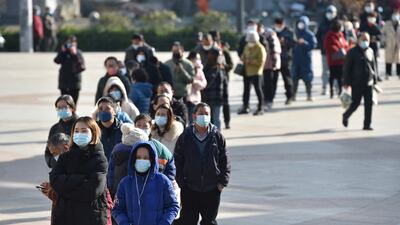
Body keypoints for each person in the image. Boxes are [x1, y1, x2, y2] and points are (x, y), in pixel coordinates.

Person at [174, 102, 230, 225]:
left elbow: (224, 160)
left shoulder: (217, 136)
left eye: (206, 114)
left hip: (212, 188)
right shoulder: (185, 136)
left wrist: (222, 182)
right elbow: (177, 160)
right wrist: (181, 181)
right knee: (188, 220)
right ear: (194, 116)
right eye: (201, 114)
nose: (204, 116)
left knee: (209, 221)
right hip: (190, 188)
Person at [50, 116, 108, 225]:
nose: (79, 134)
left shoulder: (100, 159)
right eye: (76, 131)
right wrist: (82, 179)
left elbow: (93, 190)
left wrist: (66, 189)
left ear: (93, 133)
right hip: (66, 216)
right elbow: (55, 180)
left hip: (91, 217)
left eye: (84, 131)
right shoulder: (65, 157)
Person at [112, 141, 179, 225]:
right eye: (138, 157)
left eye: (145, 158)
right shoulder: (125, 183)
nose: (141, 160)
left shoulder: (162, 180)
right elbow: (117, 209)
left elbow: (173, 206)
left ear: (152, 159)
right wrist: (124, 223)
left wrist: (164, 222)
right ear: (133, 159)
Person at [107, 122, 176, 197]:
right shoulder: (143, 153)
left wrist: (111, 188)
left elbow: (110, 170)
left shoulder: (117, 151)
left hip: (119, 192)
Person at [342, 32, 377, 130]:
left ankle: (367, 124)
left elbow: (374, 66)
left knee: (369, 104)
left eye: (367, 40)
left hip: (368, 82)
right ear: (358, 40)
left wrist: (375, 81)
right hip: (356, 83)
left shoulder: (370, 51)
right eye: (363, 39)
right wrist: (346, 83)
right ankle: (346, 115)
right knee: (355, 104)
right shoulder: (352, 52)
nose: (365, 41)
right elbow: (346, 68)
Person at [40, 133, 70, 225]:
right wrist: (51, 187)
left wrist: (50, 191)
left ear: (66, 148)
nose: (54, 157)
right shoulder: (59, 167)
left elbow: (69, 197)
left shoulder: (74, 168)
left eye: (55, 153)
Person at [45, 95, 78, 169]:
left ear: (72, 108)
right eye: (59, 108)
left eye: (64, 107)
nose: (61, 109)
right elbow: (48, 151)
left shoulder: (80, 126)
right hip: (58, 170)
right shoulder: (54, 128)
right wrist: (53, 162)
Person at [209, 30, 233, 129]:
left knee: (225, 102)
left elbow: (231, 65)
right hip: (211, 79)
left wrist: (223, 66)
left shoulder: (223, 49)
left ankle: (227, 121)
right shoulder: (207, 51)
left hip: (223, 78)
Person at [238, 31, 266, 115]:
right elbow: (243, 55)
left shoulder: (260, 48)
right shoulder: (247, 46)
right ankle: (245, 106)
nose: (250, 43)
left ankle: (261, 107)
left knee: (258, 89)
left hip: (256, 72)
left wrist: (250, 61)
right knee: (246, 90)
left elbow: (261, 61)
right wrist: (242, 58)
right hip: (246, 71)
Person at [292, 16, 317, 102]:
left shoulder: (309, 34)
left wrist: (304, 43)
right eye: (299, 23)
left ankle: (309, 95)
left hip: (306, 60)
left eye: (302, 23)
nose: (300, 25)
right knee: (294, 78)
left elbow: (313, 45)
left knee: (308, 79)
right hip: (296, 60)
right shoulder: (294, 33)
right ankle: (293, 95)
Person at [54, 36, 85, 104]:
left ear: (75, 44)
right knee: (64, 103)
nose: (70, 45)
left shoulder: (78, 52)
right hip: (64, 82)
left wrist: (75, 54)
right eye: (68, 43)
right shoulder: (64, 53)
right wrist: (62, 52)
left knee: (73, 103)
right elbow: (56, 61)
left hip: (75, 82)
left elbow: (82, 67)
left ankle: (73, 114)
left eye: (72, 43)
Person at [202, 49, 228, 130]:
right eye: (219, 56)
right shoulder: (206, 68)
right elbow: (205, 83)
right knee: (208, 120)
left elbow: (225, 84)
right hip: (208, 98)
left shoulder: (221, 69)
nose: (221, 57)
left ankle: (217, 138)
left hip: (218, 98)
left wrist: (225, 98)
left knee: (217, 120)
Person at [324, 19, 349, 98]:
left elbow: (344, 44)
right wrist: (337, 49)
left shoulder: (340, 35)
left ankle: (340, 91)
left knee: (340, 76)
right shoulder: (330, 35)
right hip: (333, 60)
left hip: (341, 59)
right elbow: (328, 46)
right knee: (332, 75)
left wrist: (345, 48)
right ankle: (331, 90)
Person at [316, 5, 337, 95]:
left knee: (336, 70)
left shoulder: (338, 24)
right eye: (328, 12)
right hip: (325, 52)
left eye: (332, 13)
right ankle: (325, 88)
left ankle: (337, 87)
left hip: (336, 52)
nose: (330, 15)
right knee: (325, 71)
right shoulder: (322, 24)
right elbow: (318, 36)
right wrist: (322, 46)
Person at [273, 17, 295, 105]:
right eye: (277, 25)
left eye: (280, 25)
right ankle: (270, 98)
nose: (278, 26)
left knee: (287, 79)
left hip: (285, 59)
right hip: (274, 59)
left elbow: (293, 43)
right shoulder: (272, 31)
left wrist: (284, 42)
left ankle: (289, 97)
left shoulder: (289, 32)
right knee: (272, 80)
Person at [261, 27, 283, 110]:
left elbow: (273, 52)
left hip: (270, 65)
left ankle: (268, 100)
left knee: (268, 84)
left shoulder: (270, 38)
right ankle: (268, 100)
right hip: (274, 65)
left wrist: (273, 63)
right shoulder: (274, 37)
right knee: (271, 84)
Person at [359, 12, 382, 81]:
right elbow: (359, 34)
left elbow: (380, 36)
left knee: (374, 62)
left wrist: (375, 38)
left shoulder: (376, 27)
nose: (371, 19)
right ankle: (365, 75)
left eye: (373, 18)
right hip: (364, 46)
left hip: (373, 46)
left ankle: (375, 76)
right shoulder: (363, 26)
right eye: (370, 18)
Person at [186, 51, 207, 123]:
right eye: (197, 58)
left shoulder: (199, 69)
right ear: (191, 59)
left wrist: (194, 82)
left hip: (195, 99)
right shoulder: (185, 67)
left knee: (193, 121)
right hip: (185, 98)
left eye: (199, 58)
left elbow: (204, 84)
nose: (198, 60)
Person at [382, 10, 400, 80]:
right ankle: (388, 74)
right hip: (389, 44)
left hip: (398, 45)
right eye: (394, 15)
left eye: (397, 15)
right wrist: (384, 41)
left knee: (399, 60)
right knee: (388, 60)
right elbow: (382, 33)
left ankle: (399, 74)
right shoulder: (387, 24)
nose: (395, 17)